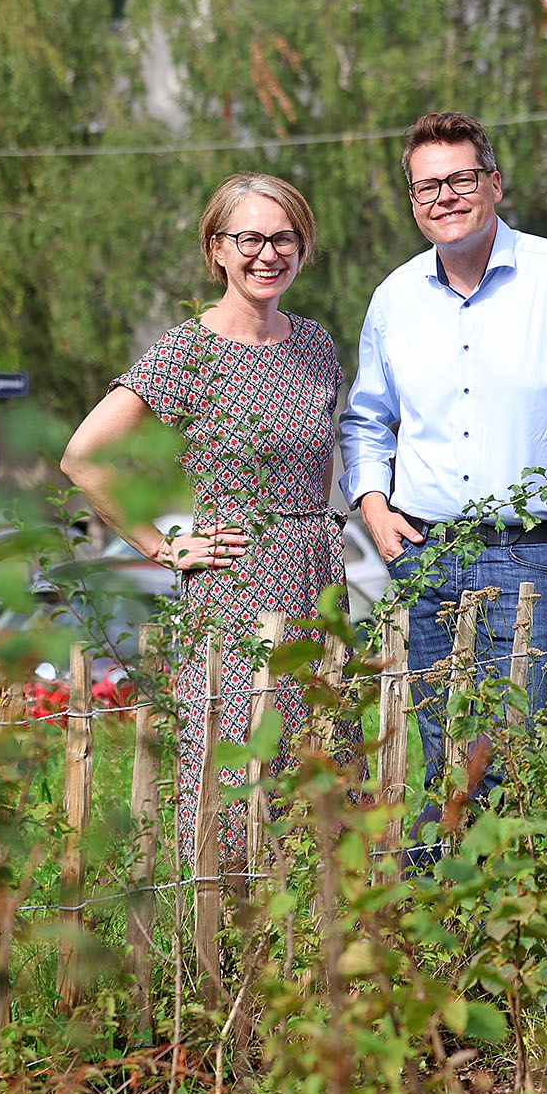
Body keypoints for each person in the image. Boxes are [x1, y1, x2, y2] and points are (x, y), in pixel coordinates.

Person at [339, 111, 547, 843]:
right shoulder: (394, 298)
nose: (445, 197)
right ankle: (442, 901)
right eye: (427, 186)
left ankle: (489, 899)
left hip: (530, 552)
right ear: (412, 200)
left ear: (493, 182)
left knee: (510, 756)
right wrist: (373, 504)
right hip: (423, 552)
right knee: (441, 757)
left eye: (460, 179)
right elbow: (365, 419)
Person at [61, 173, 345, 868]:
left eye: (284, 238)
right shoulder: (188, 350)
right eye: (249, 238)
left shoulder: (315, 344)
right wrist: (163, 547)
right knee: (235, 769)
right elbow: (82, 458)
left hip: (318, 579)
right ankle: (223, 925)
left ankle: (310, 928)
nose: (268, 254)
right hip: (235, 583)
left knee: (321, 764)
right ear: (217, 248)